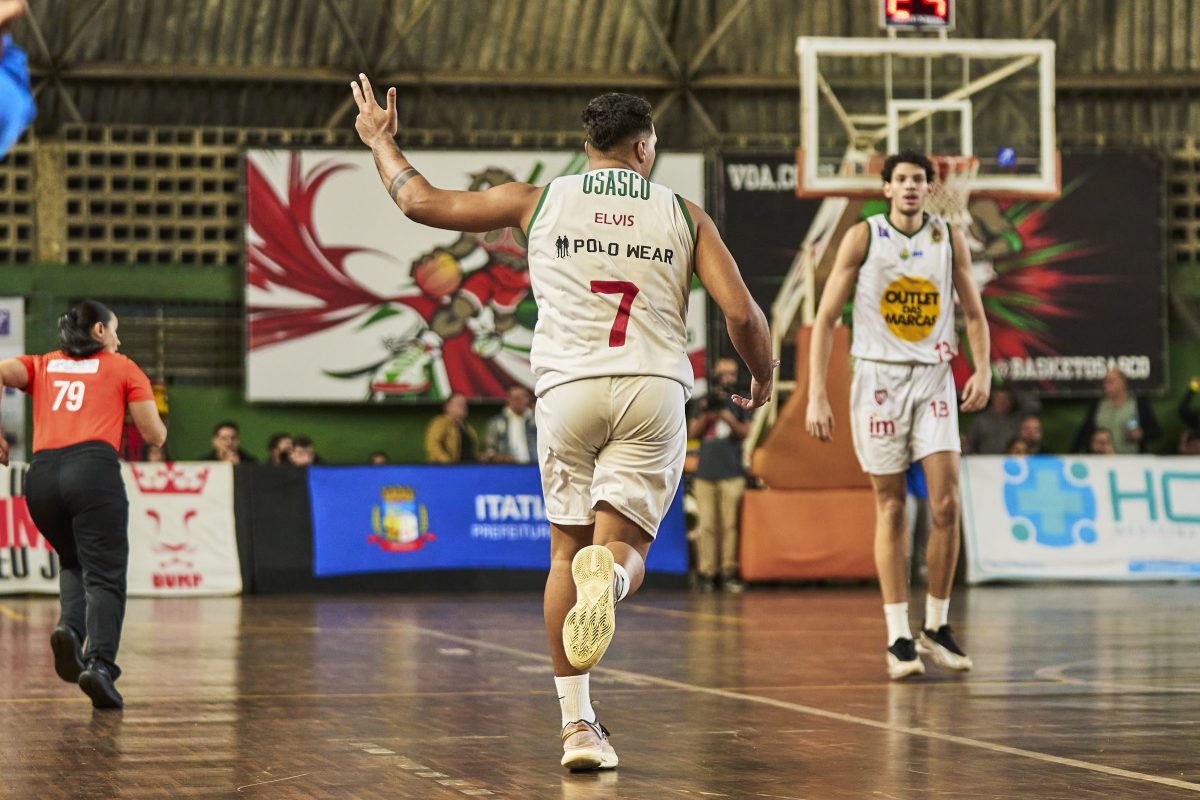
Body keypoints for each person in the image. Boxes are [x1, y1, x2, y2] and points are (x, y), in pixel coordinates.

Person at [351, 80, 773, 771]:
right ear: (644, 148)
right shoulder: (684, 214)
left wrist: (379, 140)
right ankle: (612, 583)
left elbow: (419, 201)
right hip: (650, 388)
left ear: (587, 146)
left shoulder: (538, 199)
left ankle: (577, 725)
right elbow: (742, 314)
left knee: (563, 555)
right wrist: (763, 373)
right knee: (619, 552)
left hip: (567, 391)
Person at [806, 150, 990, 681]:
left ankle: (937, 624)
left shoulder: (948, 237)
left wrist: (983, 370)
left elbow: (974, 314)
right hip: (879, 381)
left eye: (919, 179)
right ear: (886, 188)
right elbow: (825, 318)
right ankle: (897, 635)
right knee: (891, 507)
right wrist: (817, 393)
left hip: (933, 377)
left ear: (930, 187)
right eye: (902, 179)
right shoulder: (864, 237)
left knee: (946, 503)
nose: (911, 186)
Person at [0, 300, 167, 709]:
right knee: (106, 575)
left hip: (41, 478)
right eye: (115, 331)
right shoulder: (123, 367)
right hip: (92, 471)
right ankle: (100, 665)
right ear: (99, 331)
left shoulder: (42, 364)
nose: (118, 340)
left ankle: (71, 631)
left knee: (73, 559)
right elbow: (154, 436)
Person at [687, 358, 750, 592]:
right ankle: (707, 572)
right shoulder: (703, 401)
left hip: (732, 471)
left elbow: (745, 432)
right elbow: (691, 433)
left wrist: (727, 416)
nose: (727, 378)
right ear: (715, 374)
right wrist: (706, 415)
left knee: (730, 526)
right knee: (706, 525)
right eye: (723, 374)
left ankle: (729, 571)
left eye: (731, 373)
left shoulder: (742, 401)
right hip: (705, 472)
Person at [1071, 367, 1160, 455]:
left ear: (1122, 383)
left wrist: (1141, 433)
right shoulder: (1098, 404)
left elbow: (1155, 431)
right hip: (1102, 459)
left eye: (1110, 382)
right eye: (1104, 382)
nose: (1105, 385)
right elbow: (1084, 432)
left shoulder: (1138, 403)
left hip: (1130, 459)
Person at [965, 386, 1040, 455]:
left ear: (1011, 399)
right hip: (987, 461)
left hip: (1013, 461)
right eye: (999, 398)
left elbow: (1035, 408)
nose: (1002, 402)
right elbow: (970, 444)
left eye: (1006, 398)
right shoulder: (981, 420)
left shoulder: (1019, 419)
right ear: (993, 398)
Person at [483, 383, 537, 464]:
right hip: (507, 468)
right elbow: (489, 448)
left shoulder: (537, 421)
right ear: (508, 400)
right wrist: (498, 457)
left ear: (527, 399)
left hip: (535, 466)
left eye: (521, 397)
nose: (518, 401)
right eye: (515, 398)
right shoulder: (496, 423)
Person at [424, 391, 478, 464]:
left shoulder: (467, 427)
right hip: (443, 468)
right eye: (459, 404)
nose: (463, 407)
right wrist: (447, 462)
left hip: (465, 468)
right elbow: (433, 445)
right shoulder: (440, 422)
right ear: (448, 407)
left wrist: (479, 457)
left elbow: (467, 451)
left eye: (464, 404)